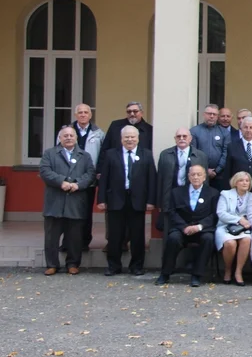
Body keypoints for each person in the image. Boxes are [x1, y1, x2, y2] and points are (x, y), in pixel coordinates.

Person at [97, 125, 157, 276]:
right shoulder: (111, 154)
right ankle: (113, 266)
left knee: (137, 236)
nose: (130, 140)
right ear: (121, 139)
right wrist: (101, 199)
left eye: (132, 137)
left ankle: (136, 266)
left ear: (138, 138)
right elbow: (104, 179)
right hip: (116, 199)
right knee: (115, 235)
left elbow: (152, 179)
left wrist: (151, 201)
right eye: (126, 137)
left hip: (138, 201)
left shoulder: (147, 155)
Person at [40, 126, 96, 275]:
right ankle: (52, 264)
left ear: (76, 138)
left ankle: (73, 264)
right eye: (65, 135)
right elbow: (45, 172)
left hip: (76, 202)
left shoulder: (85, 156)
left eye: (72, 135)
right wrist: (62, 182)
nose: (69, 137)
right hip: (54, 202)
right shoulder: (49, 154)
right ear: (60, 138)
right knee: (51, 237)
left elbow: (90, 174)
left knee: (75, 237)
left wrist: (77, 184)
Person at [156, 165, 219, 287]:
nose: (196, 177)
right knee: (173, 239)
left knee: (208, 239)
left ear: (204, 177)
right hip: (182, 229)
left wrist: (199, 226)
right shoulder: (177, 192)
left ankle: (197, 275)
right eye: (193, 174)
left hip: (202, 230)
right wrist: (184, 227)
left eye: (199, 174)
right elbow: (172, 212)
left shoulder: (213, 193)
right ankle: (165, 273)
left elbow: (214, 214)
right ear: (188, 176)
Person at [58, 104, 105, 252]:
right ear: (75, 115)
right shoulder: (66, 132)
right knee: (67, 212)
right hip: (69, 178)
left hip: (88, 179)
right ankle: (67, 242)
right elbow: (57, 153)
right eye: (80, 112)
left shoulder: (98, 133)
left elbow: (102, 156)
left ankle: (84, 242)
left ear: (90, 115)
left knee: (85, 212)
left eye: (86, 112)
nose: (83, 115)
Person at [156, 128, 208, 237]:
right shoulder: (165, 154)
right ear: (175, 139)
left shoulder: (200, 155)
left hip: (191, 196)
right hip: (171, 196)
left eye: (185, 136)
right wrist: (160, 202)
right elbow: (160, 179)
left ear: (190, 139)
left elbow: (205, 179)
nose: (182, 138)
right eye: (179, 136)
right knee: (169, 230)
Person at [215, 171, 252, 286]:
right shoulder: (226, 194)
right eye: (241, 180)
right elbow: (221, 213)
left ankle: (238, 272)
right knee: (230, 243)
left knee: (246, 240)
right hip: (225, 226)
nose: (244, 183)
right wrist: (238, 219)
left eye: (247, 181)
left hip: (244, 228)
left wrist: (246, 222)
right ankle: (228, 269)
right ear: (235, 182)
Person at [190, 104, 230, 191]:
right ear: (204, 114)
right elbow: (193, 152)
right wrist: (204, 170)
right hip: (200, 175)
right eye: (209, 113)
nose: (211, 116)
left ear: (217, 116)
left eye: (214, 114)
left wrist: (216, 170)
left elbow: (226, 152)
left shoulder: (224, 132)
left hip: (219, 175)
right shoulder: (194, 131)